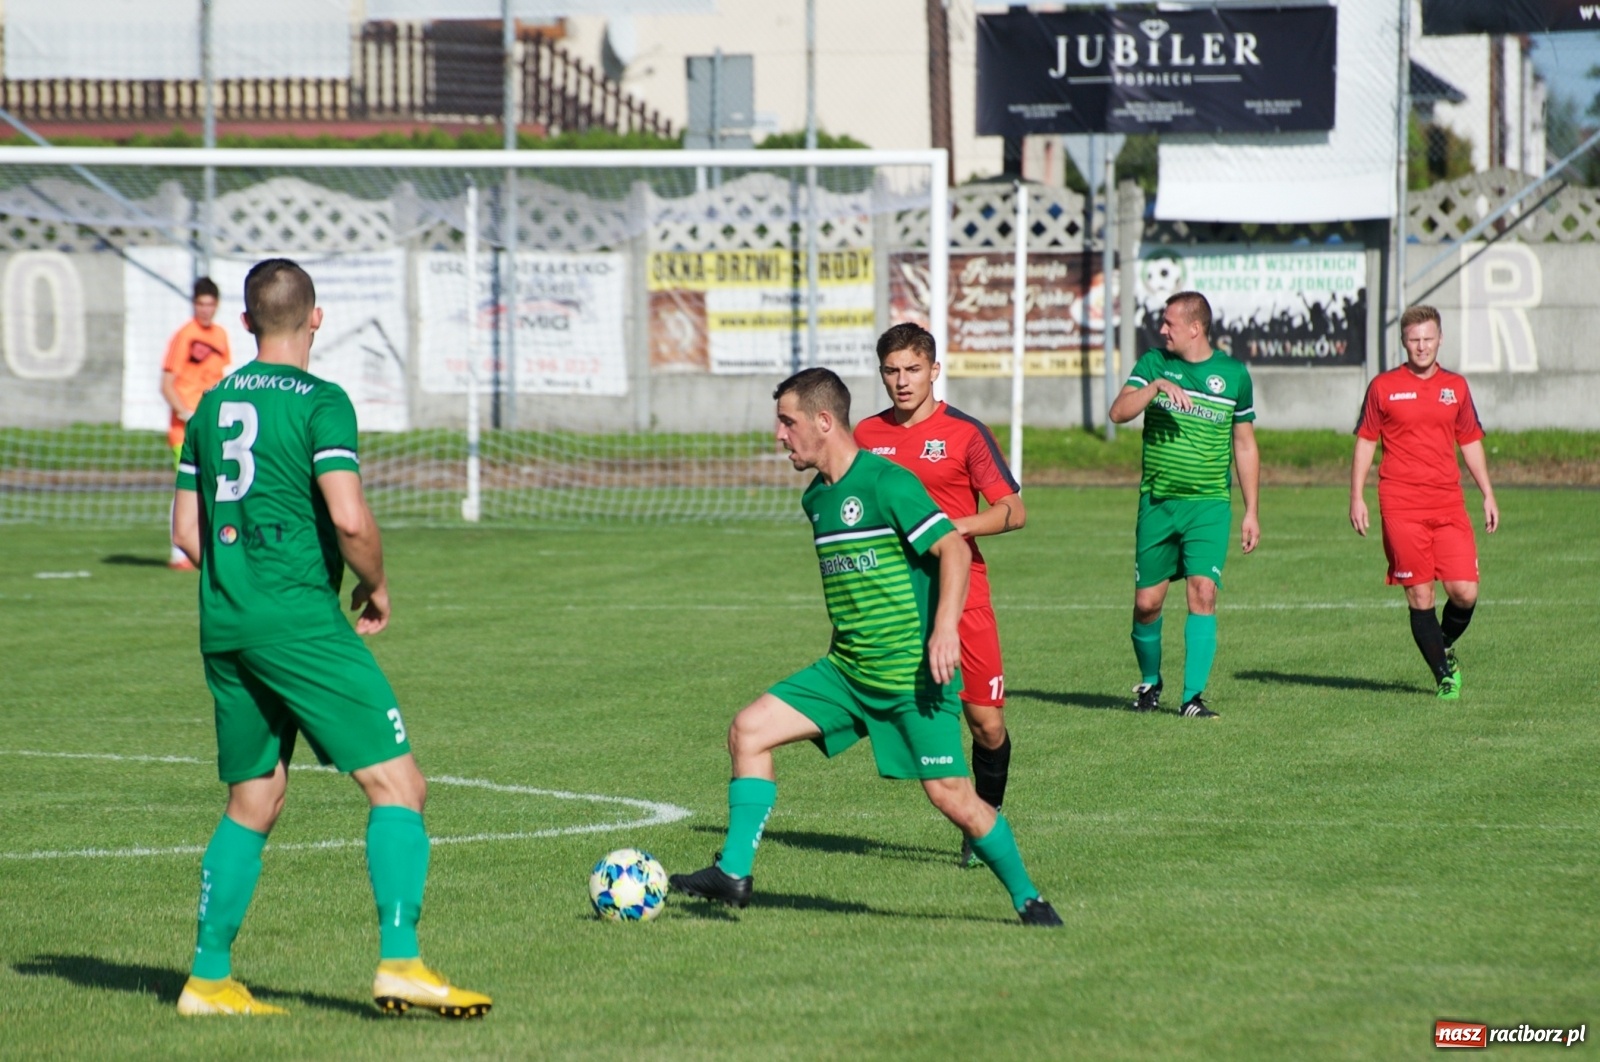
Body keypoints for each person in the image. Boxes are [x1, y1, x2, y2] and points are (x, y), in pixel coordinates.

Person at [171, 259, 491, 1018]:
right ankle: (402, 961)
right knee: (398, 786)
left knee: (255, 795)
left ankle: (207, 980)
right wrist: (375, 585)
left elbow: (186, 533)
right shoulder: (322, 402)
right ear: (317, 318)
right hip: (299, 621)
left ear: (245, 323)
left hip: (226, 622)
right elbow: (348, 518)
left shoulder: (212, 405)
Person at [668, 367, 1061, 927]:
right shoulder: (817, 501)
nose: (780, 435)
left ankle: (1029, 899)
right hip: (847, 673)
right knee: (748, 731)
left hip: (910, 680)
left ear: (823, 422)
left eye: (788, 422)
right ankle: (733, 873)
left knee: (953, 797)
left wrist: (945, 627)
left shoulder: (888, 483)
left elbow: (951, 550)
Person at [853, 322, 1026, 869]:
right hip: (898, 602)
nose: (901, 382)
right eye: (891, 371)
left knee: (986, 723)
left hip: (965, 595)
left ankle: (986, 820)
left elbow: (1014, 511)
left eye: (911, 370)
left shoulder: (965, 433)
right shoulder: (865, 435)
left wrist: (956, 527)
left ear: (933, 370)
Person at [1108, 291, 1260, 719]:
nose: (1162, 329)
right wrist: (1155, 387)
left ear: (1195, 328)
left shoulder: (1233, 375)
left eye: (1169, 323)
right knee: (1147, 603)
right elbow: (1118, 413)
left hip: (1209, 504)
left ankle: (1192, 697)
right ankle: (1150, 681)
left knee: (1203, 591)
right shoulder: (1154, 364)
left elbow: (1245, 444)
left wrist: (1251, 510)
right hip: (1157, 503)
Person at [1350, 305, 1497, 699]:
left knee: (1465, 591)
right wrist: (1356, 496)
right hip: (1400, 504)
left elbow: (1469, 441)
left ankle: (1443, 643)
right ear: (1404, 341)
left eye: (1428, 338)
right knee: (1420, 595)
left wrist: (1487, 493)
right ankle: (1443, 676)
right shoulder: (1383, 386)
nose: (1421, 346)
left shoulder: (1457, 388)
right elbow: (1365, 441)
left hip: (1448, 503)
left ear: (1440, 339)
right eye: (1414, 339)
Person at [161, 276, 231, 570]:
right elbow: (166, 384)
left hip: (212, 426)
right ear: (194, 304)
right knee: (188, 484)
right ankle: (180, 552)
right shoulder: (184, 336)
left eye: (210, 304)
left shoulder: (220, 336)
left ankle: (212, 544)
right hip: (185, 430)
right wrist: (187, 414)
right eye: (201, 304)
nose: (205, 310)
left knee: (214, 485)